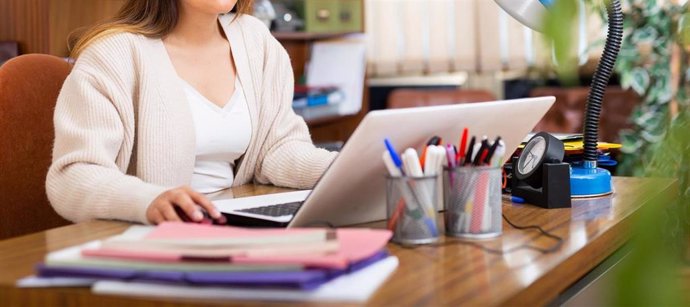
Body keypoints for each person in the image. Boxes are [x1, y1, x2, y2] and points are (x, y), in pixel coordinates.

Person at [46, 0, 336, 225]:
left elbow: (275, 149)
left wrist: (343, 168)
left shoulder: (255, 40)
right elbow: (74, 175)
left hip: (228, 226)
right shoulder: (113, 55)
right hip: (148, 237)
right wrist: (148, 201)